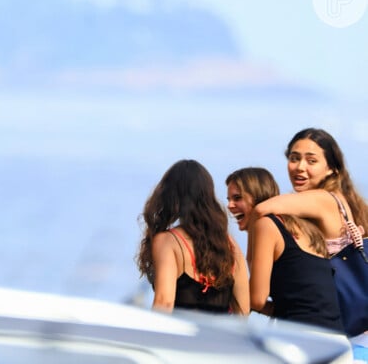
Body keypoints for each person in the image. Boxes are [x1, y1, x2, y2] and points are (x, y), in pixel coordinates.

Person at [226, 167, 344, 332]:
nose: (230, 206)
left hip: (304, 340)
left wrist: (231, 295)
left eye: (237, 198)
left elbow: (257, 300)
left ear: (257, 196)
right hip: (335, 339)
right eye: (229, 199)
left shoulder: (265, 225)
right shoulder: (304, 227)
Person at [136, 159, 249, 315]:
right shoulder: (230, 245)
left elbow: (164, 303)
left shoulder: (168, 242)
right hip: (219, 338)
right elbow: (243, 310)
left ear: (170, 195)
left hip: (182, 338)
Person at [252, 128, 368, 256]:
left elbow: (261, 209)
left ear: (331, 168)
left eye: (311, 161)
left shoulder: (323, 199)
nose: (300, 167)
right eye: (294, 159)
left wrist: (251, 256)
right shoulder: (337, 198)